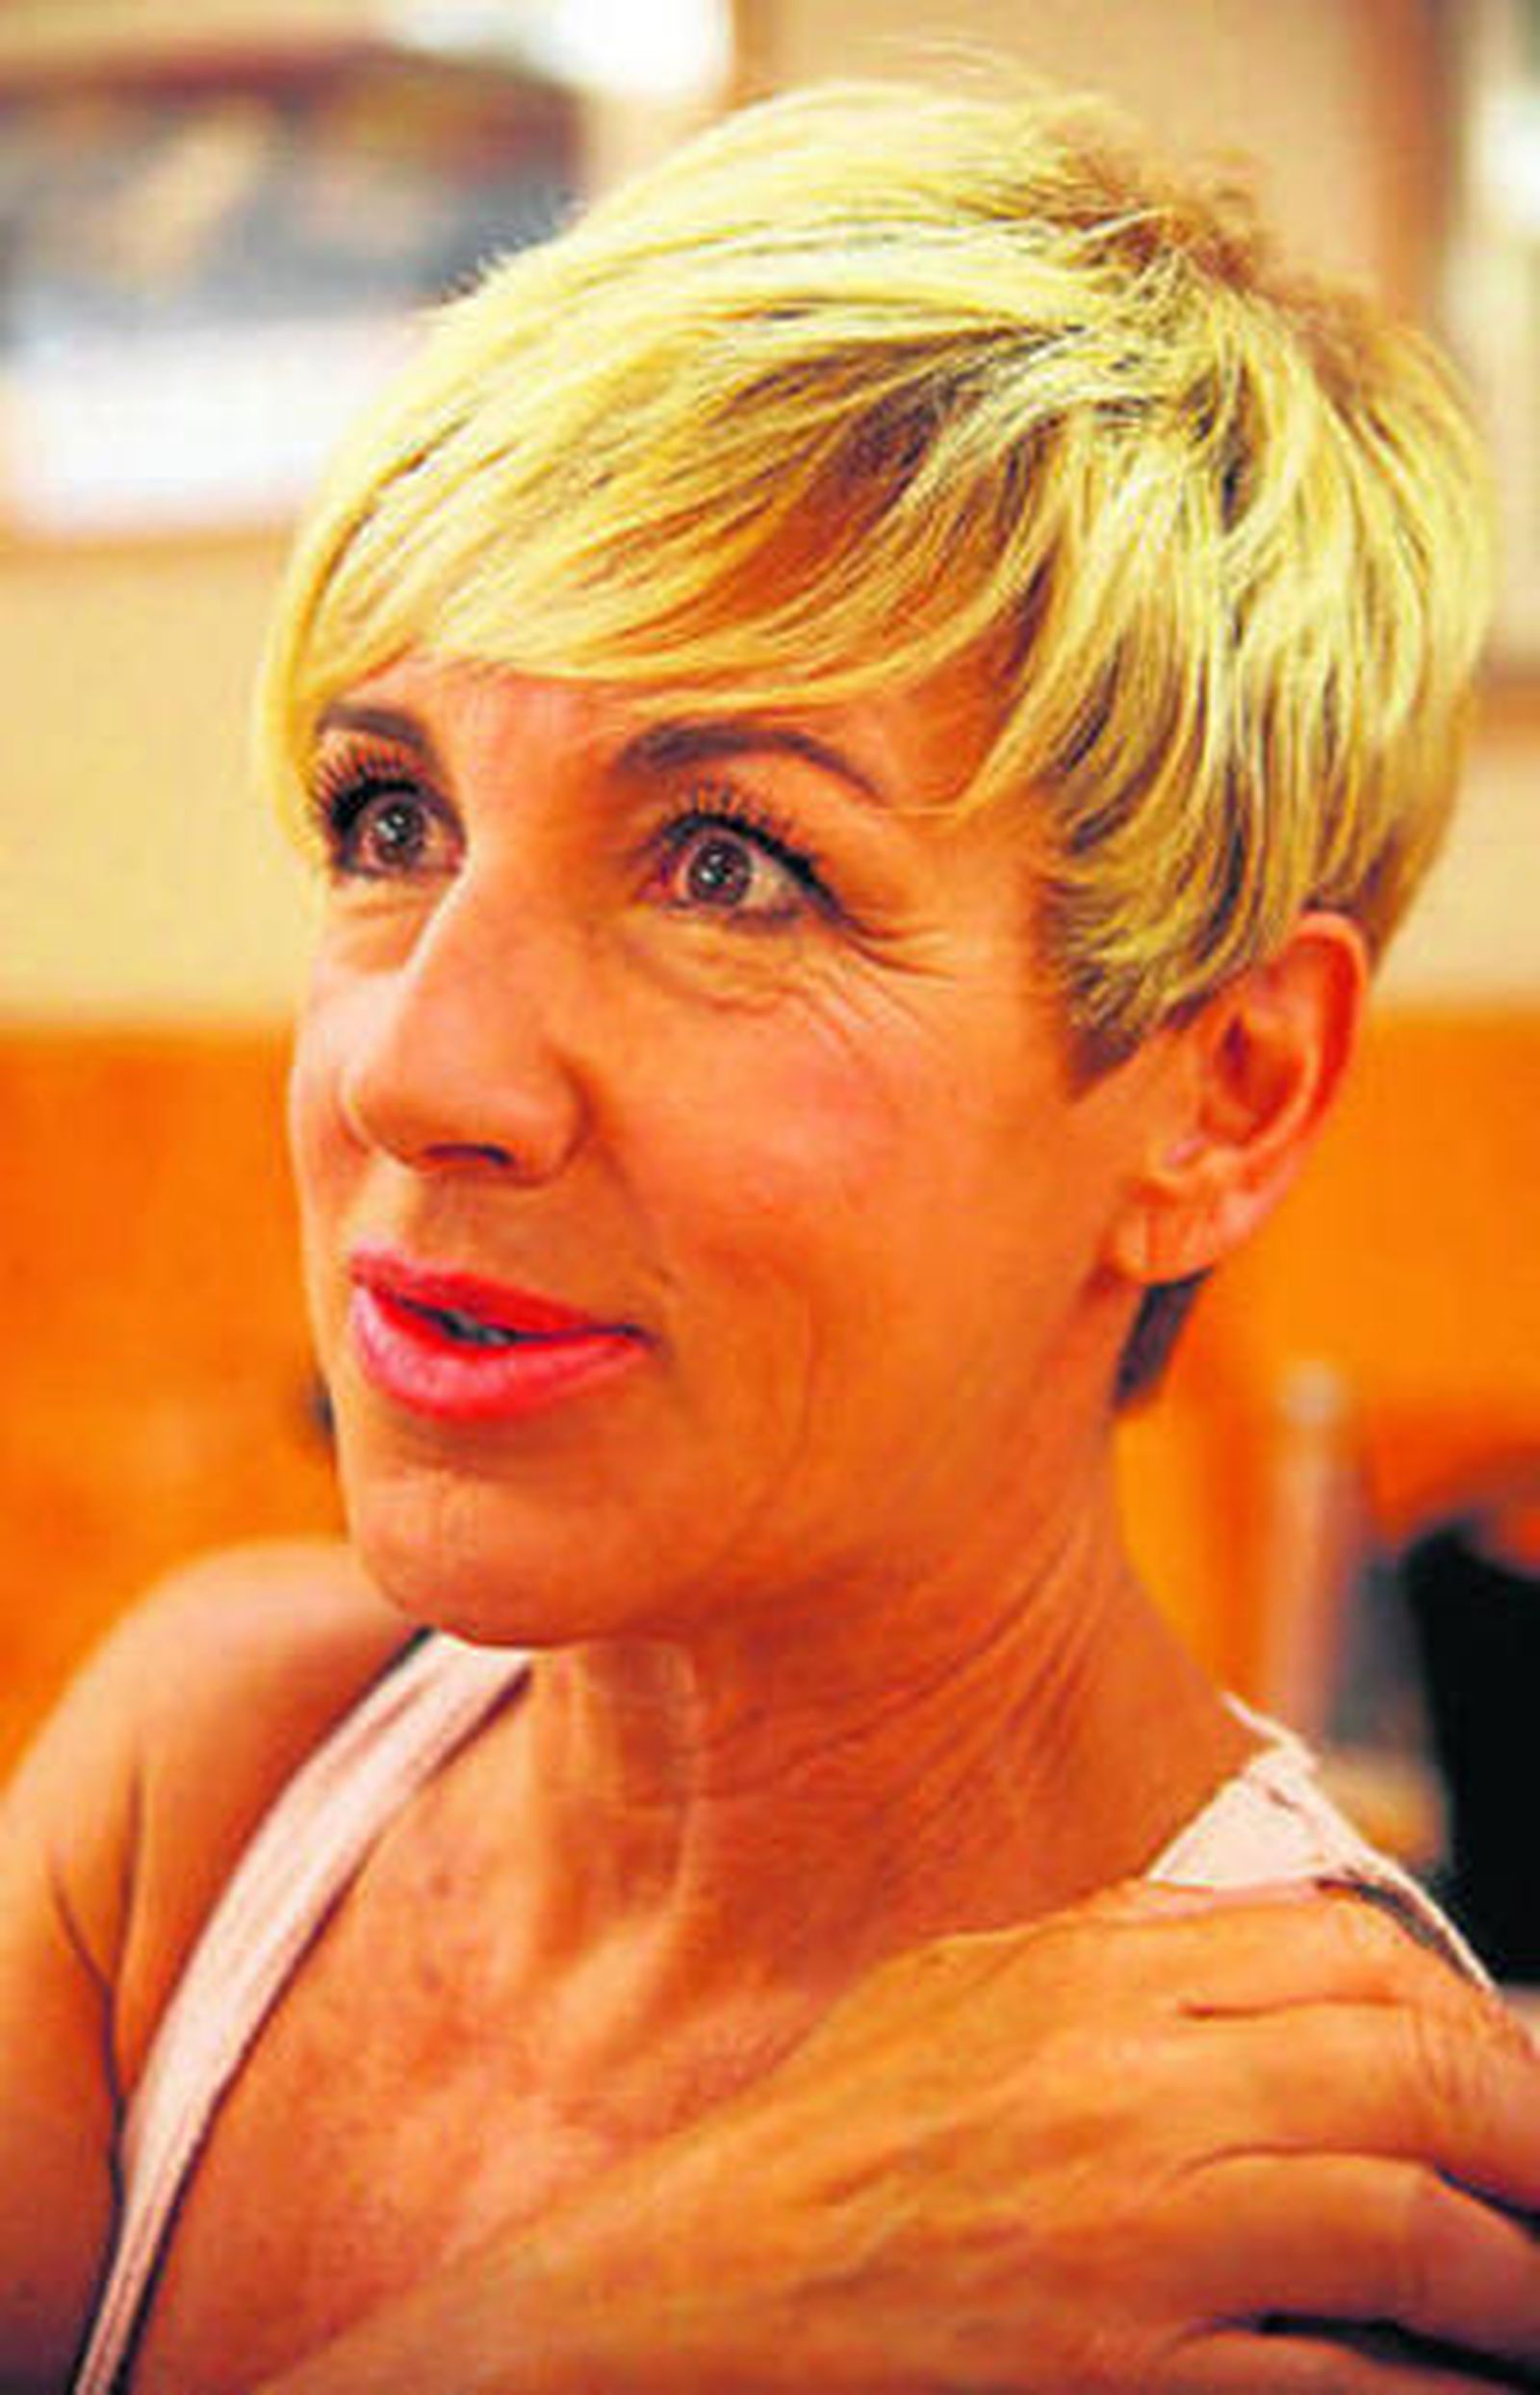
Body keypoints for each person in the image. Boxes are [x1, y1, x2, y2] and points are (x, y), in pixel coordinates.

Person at [4, 73, 1538, 2395]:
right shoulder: (205, 1784)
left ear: (1219, 1092)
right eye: (391, 814)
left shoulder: (1292, 2224)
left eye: (729, 864)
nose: (416, 1068)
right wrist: (596, 2320)